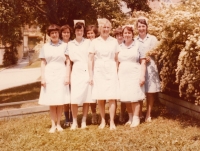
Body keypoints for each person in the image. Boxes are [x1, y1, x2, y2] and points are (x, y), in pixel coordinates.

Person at [88, 18, 119, 130]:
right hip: (99, 70)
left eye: (107, 27)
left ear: (110, 29)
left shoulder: (114, 41)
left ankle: (111, 122)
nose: (105, 29)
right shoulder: (95, 42)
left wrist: (116, 72)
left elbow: (116, 59)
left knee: (111, 96)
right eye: (103, 27)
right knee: (100, 97)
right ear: (100, 28)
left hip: (111, 70)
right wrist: (91, 75)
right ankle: (103, 120)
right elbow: (90, 59)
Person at [38, 24, 71, 133]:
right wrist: (43, 78)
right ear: (49, 35)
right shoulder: (45, 47)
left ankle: (59, 124)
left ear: (58, 33)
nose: (54, 35)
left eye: (56, 32)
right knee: (52, 101)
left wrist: (67, 76)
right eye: (52, 33)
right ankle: (53, 125)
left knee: (60, 100)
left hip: (61, 73)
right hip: (49, 75)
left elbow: (68, 61)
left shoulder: (64, 46)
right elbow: (43, 63)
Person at [66, 20, 95, 130]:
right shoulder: (70, 44)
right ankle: (74, 122)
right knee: (75, 98)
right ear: (75, 31)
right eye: (78, 30)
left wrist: (91, 74)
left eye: (81, 30)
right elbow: (69, 61)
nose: (79, 32)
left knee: (86, 97)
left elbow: (91, 58)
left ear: (83, 31)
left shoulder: (88, 42)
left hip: (86, 70)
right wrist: (67, 76)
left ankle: (83, 120)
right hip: (76, 70)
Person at [117, 25, 146, 127]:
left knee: (134, 96)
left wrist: (142, 76)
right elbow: (116, 61)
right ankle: (130, 117)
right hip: (122, 74)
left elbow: (143, 62)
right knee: (126, 97)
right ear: (122, 34)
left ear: (133, 34)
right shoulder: (119, 46)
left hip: (134, 72)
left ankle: (136, 118)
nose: (127, 35)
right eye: (125, 33)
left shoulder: (138, 45)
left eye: (129, 33)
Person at [135, 17, 161, 122]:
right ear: (137, 28)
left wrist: (151, 55)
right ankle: (140, 113)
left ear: (147, 27)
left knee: (150, 91)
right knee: (139, 90)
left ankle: (148, 114)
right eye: (139, 26)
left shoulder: (153, 38)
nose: (141, 28)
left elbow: (157, 51)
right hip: (139, 68)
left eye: (143, 26)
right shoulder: (134, 40)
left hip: (150, 68)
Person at [60, 24, 73, 127]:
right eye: (64, 32)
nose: (66, 34)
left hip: (74, 71)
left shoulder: (73, 44)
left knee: (72, 95)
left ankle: (73, 117)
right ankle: (66, 118)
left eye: (68, 32)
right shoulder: (59, 45)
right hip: (63, 71)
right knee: (65, 95)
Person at [85, 25, 98, 124]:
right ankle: (94, 114)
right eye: (88, 33)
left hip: (98, 70)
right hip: (88, 70)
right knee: (91, 94)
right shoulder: (85, 43)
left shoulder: (98, 42)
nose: (90, 35)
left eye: (92, 33)